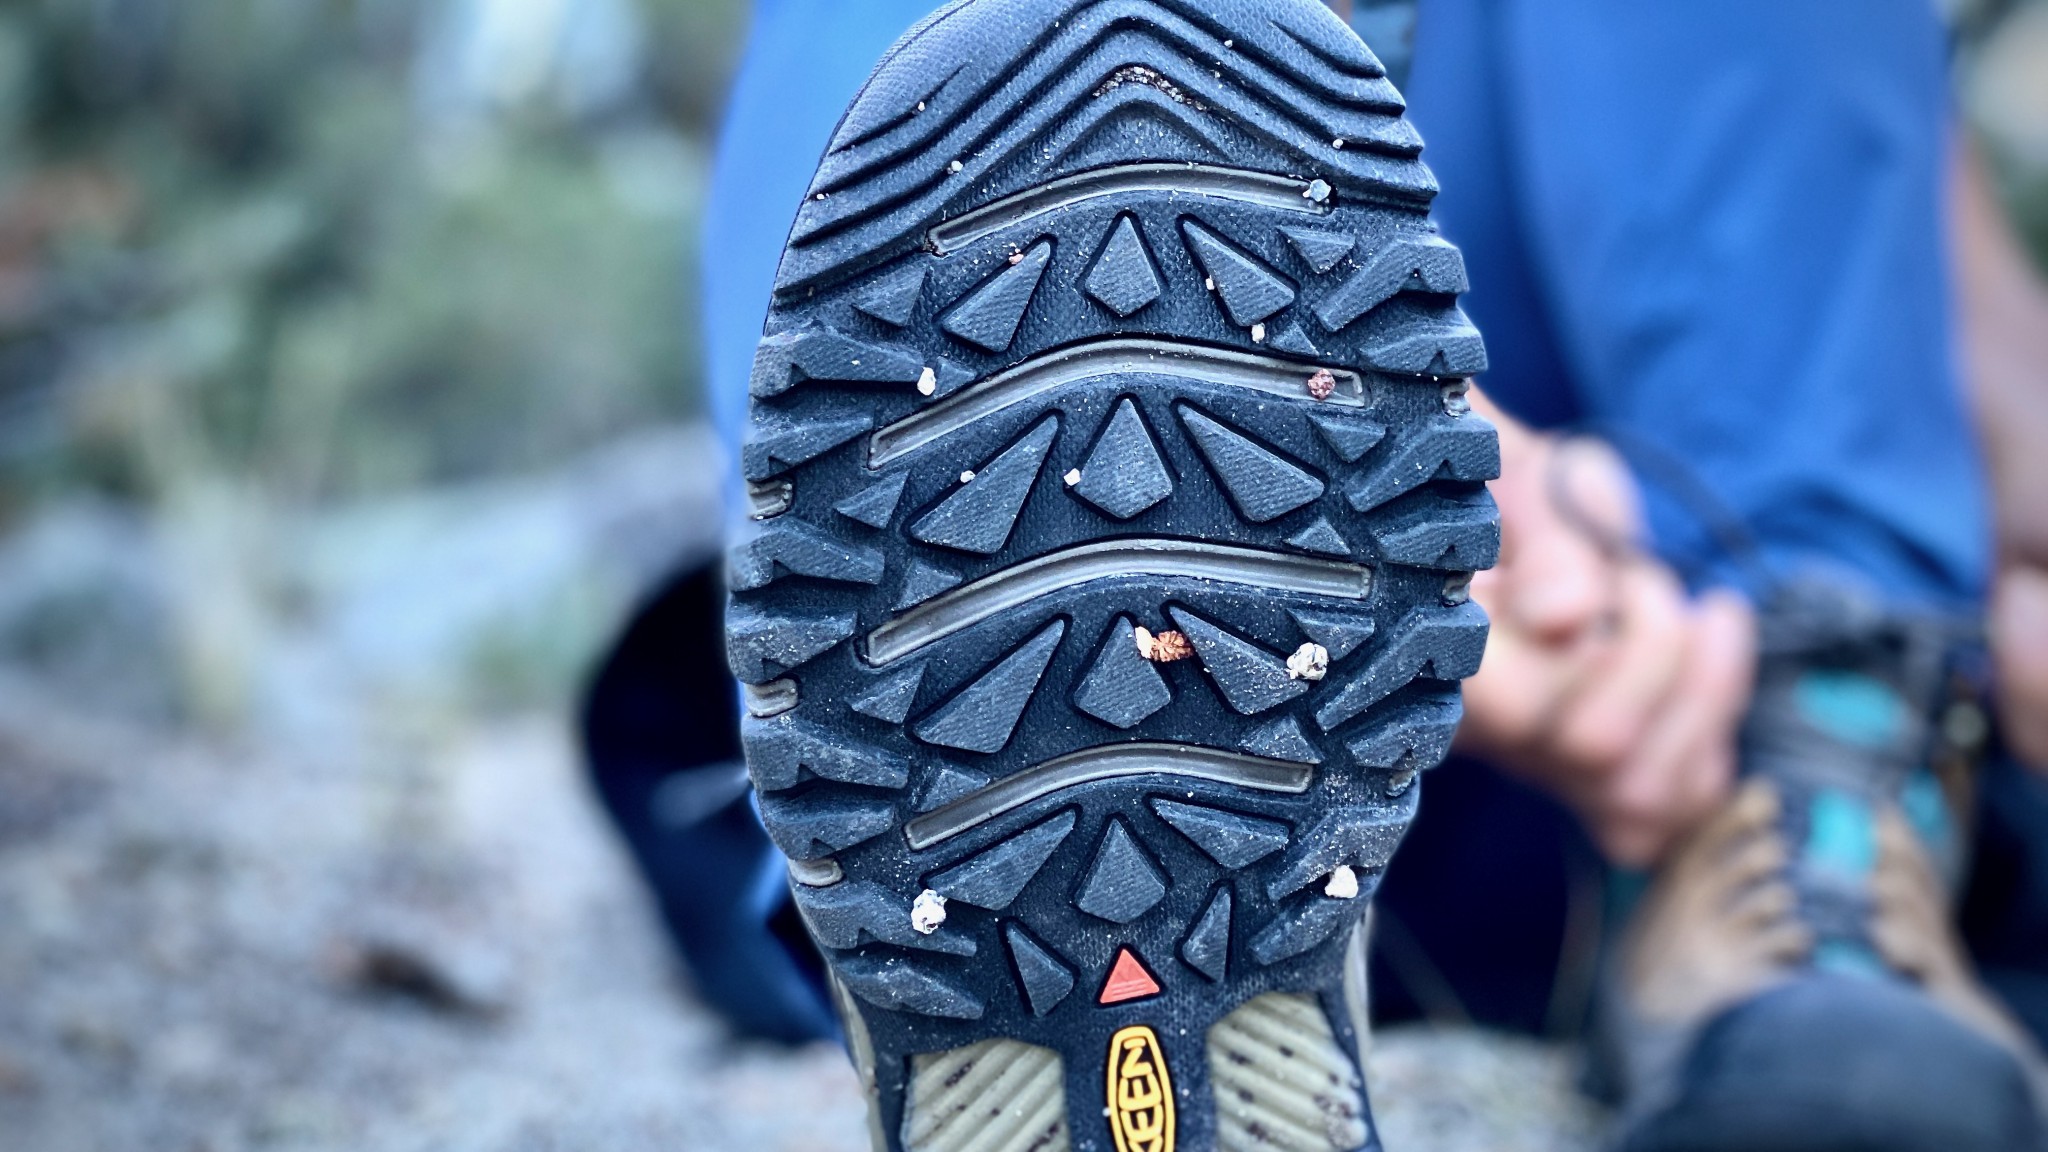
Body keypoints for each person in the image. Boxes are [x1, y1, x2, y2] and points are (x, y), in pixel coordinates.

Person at [582, 0, 2048, 1145]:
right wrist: (1352, 435)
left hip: (1633, 697)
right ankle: (1126, 607)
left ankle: (1815, 773)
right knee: (1022, 58)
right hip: (1395, 695)